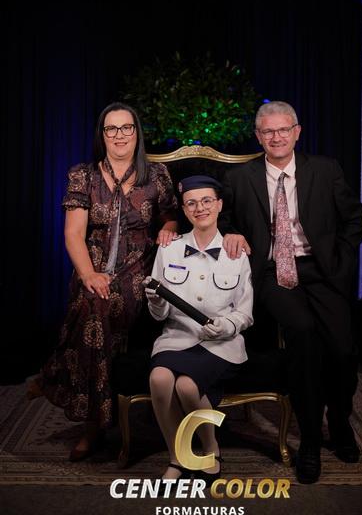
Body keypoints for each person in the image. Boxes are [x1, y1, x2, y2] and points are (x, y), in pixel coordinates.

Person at [219, 101, 362, 484]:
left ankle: (339, 422)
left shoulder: (325, 169)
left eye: (283, 129)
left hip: (321, 270)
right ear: (258, 137)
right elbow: (223, 217)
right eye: (268, 131)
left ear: (297, 132)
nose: (277, 137)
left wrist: (341, 260)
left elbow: (355, 218)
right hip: (272, 273)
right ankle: (311, 441)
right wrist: (231, 232)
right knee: (303, 336)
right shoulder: (239, 177)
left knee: (343, 349)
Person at [27, 102, 178, 461]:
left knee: (98, 307)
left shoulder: (156, 174)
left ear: (137, 133)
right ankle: (95, 422)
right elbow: (73, 234)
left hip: (138, 266)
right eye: (111, 129)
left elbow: (171, 216)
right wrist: (88, 274)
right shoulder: (83, 176)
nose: (119, 135)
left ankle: (74, 400)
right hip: (92, 264)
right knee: (92, 300)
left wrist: (169, 229)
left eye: (126, 128)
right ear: (102, 135)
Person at [144, 175, 253, 484]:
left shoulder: (236, 251)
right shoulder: (169, 249)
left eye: (207, 201)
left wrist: (227, 325)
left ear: (219, 205)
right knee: (159, 378)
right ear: (184, 209)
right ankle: (177, 456)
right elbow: (158, 315)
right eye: (191, 203)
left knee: (188, 387)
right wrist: (155, 300)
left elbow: (245, 313)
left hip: (221, 344)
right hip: (176, 338)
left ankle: (209, 448)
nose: (200, 208)